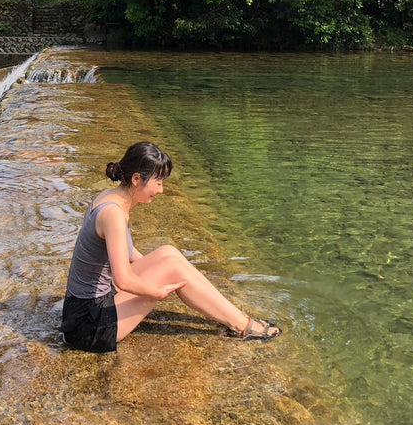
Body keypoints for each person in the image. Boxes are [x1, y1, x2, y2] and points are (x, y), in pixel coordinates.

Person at [60, 141, 281, 353]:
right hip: (88, 326)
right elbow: (123, 280)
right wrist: (156, 291)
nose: (162, 190)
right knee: (171, 267)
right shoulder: (114, 214)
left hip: (83, 309)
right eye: (158, 182)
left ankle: (235, 318)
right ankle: (242, 325)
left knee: (169, 255)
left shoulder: (111, 197)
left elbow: (127, 252)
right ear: (137, 179)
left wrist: (158, 268)